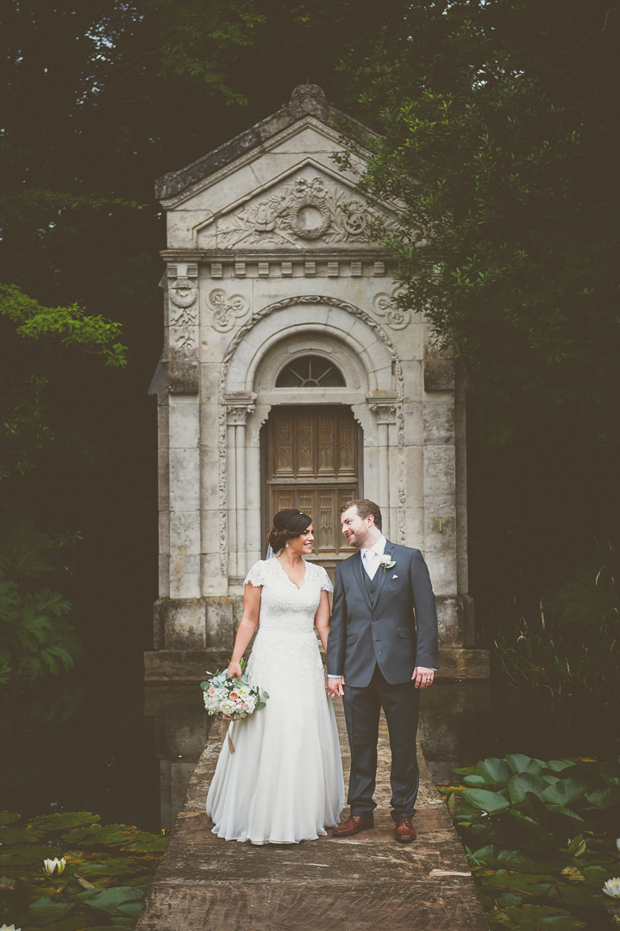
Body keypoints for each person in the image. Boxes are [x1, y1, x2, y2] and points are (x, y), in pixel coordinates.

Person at [206, 509, 345, 844]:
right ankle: (259, 811)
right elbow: (250, 620)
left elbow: (323, 626)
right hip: (270, 659)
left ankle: (301, 810)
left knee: (302, 729)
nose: (312, 538)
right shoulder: (262, 571)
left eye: (312, 532)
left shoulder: (319, 575)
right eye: (306, 533)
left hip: (305, 661)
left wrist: (336, 668)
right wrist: (235, 661)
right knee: (272, 729)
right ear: (287, 536)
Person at [326, 499, 438, 843]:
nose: (343, 529)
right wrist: (334, 671)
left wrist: (426, 660)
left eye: (348, 522)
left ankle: (403, 814)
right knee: (361, 746)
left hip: (401, 669)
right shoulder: (344, 570)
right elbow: (339, 623)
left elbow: (427, 613)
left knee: (404, 745)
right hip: (357, 671)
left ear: (369, 520)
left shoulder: (408, 559)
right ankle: (361, 812)